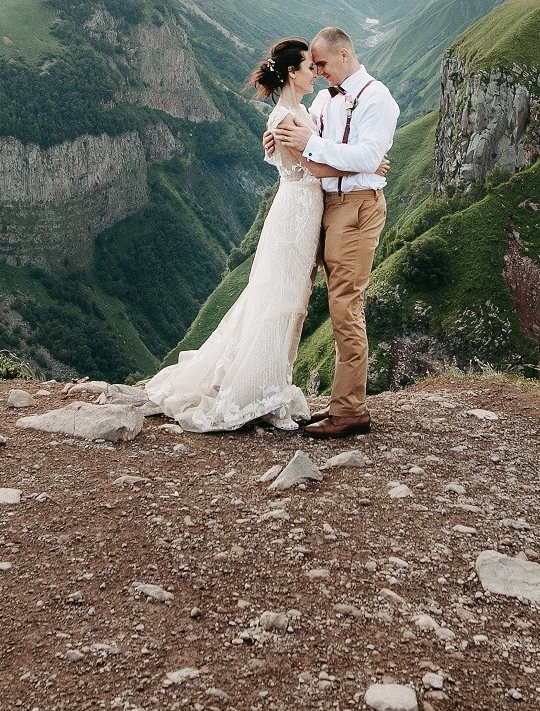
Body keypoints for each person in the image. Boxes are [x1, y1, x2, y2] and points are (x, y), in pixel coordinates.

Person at [144, 38, 386, 433]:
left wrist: (360, 159)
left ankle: (269, 384)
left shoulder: (300, 111)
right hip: (298, 214)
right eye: (310, 67)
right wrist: (371, 167)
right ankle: (259, 389)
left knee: (287, 299)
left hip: (304, 210)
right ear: (292, 73)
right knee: (283, 300)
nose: (316, 72)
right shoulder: (288, 119)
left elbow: (317, 151)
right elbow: (318, 168)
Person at [270, 26, 399, 439]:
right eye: (314, 65)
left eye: (322, 63)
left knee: (346, 303)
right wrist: (285, 140)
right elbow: (323, 156)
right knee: (318, 298)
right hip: (325, 205)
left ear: (344, 55)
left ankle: (350, 411)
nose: (319, 71)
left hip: (358, 208)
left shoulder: (379, 99)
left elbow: (365, 154)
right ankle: (338, 404)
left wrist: (315, 144)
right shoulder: (325, 100)